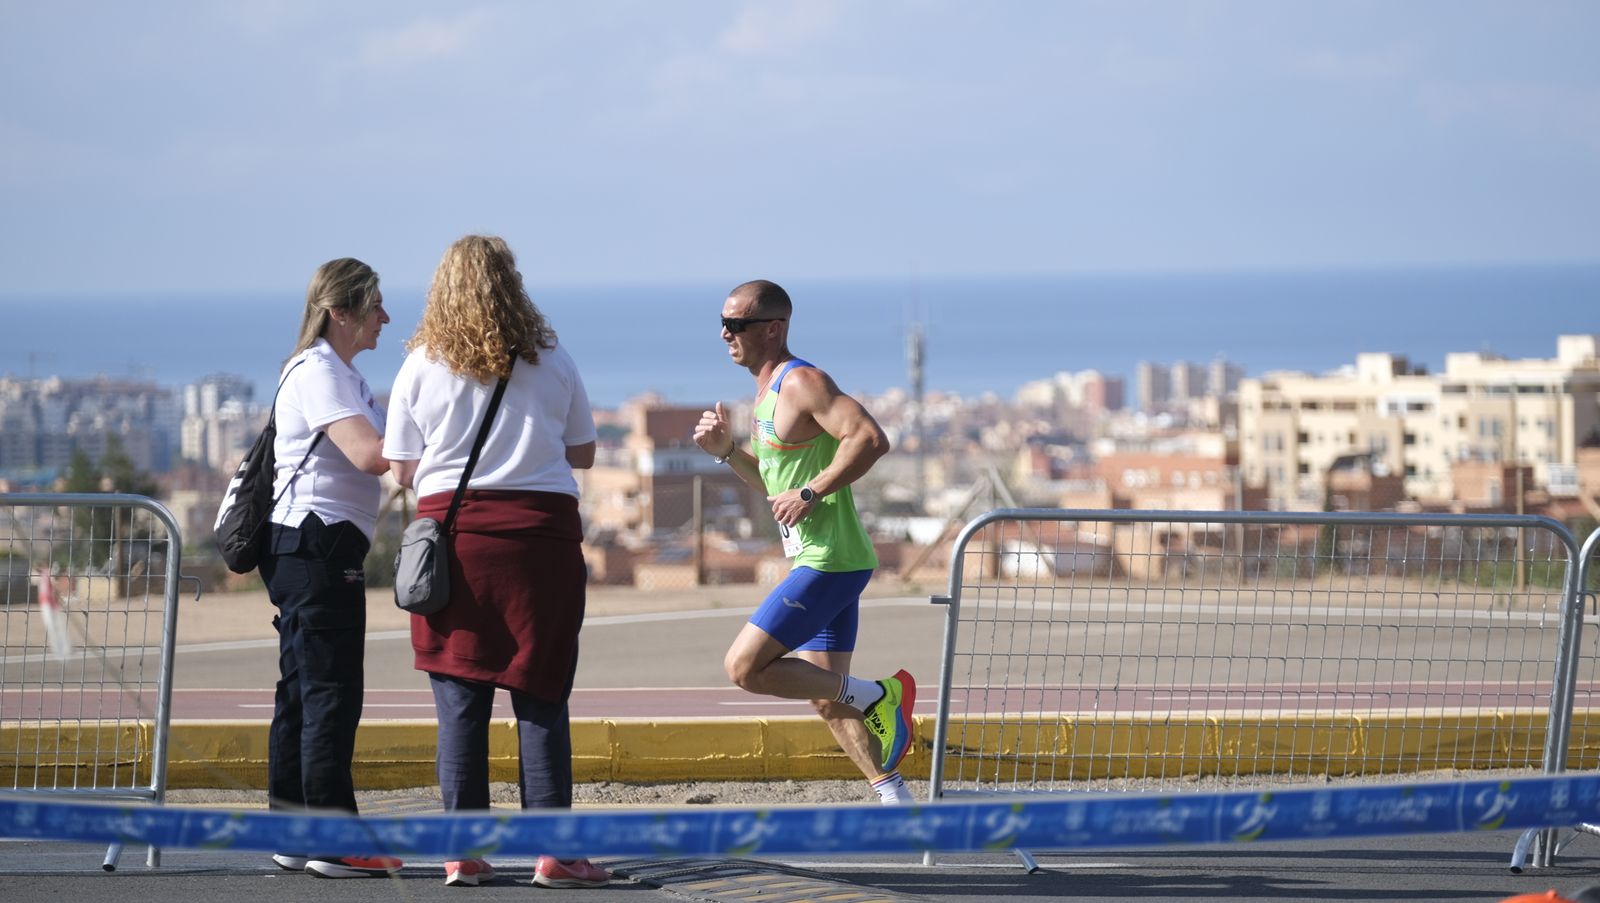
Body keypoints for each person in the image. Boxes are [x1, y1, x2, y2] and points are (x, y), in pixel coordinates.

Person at [384, 235, 608, 889]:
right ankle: (556, 854)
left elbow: (401, 468)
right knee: (540, 694)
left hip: (455, 541)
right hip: (541, 542)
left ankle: (463, 852)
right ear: (513, 283)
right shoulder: (551, 356)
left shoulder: (421, 363)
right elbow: (586, 452)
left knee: (459, 697)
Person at [692, 279, 916, 805]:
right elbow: (776, 487)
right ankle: (895, 799)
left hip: (829, 561)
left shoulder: (802, 382)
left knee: (744, 668)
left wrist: (813, 491)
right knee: (824, 695)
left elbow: (871, 438)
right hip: (825, 559)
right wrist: (726, 452)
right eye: (722, 324)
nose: (726, 334)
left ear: (773, 329)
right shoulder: (766, 393)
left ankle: (880, 694)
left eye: (737, 325)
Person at [261, 257, 400, 878]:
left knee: (300, 691)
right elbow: (371, 455)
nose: (384, 318)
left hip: (307, 547)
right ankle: (334, 838)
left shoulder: (332, 372)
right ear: (340, 313)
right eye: (373, 306)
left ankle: (293, 827)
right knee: (330, 693)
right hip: (318, 547)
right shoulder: (320, 372)